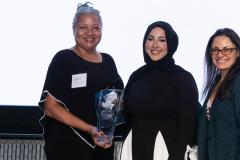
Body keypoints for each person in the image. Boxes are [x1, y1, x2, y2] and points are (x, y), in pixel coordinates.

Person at [38, 2, 123, 160]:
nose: (90, 33)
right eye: (83, 27)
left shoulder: (108, 61)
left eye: (95, 27)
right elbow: (50, 107)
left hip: (101, 144)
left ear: (101, 30)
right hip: (68, 146)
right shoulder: (63, 59)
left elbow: (117, 101)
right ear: (74, 29)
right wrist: (90, 129)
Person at [123, 21, 199, 160]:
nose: (155, 45)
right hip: (133, 149)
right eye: (150, 39)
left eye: (162, 40)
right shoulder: (136, 76)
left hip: (166, 152)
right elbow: (127, 116)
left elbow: (187, 127)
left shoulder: (183, 78)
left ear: (170, 44)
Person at [197, 28, 240, 160]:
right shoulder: (216, 83)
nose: (220, 54)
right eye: (215, 50)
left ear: (238, 52)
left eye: (227, 49)